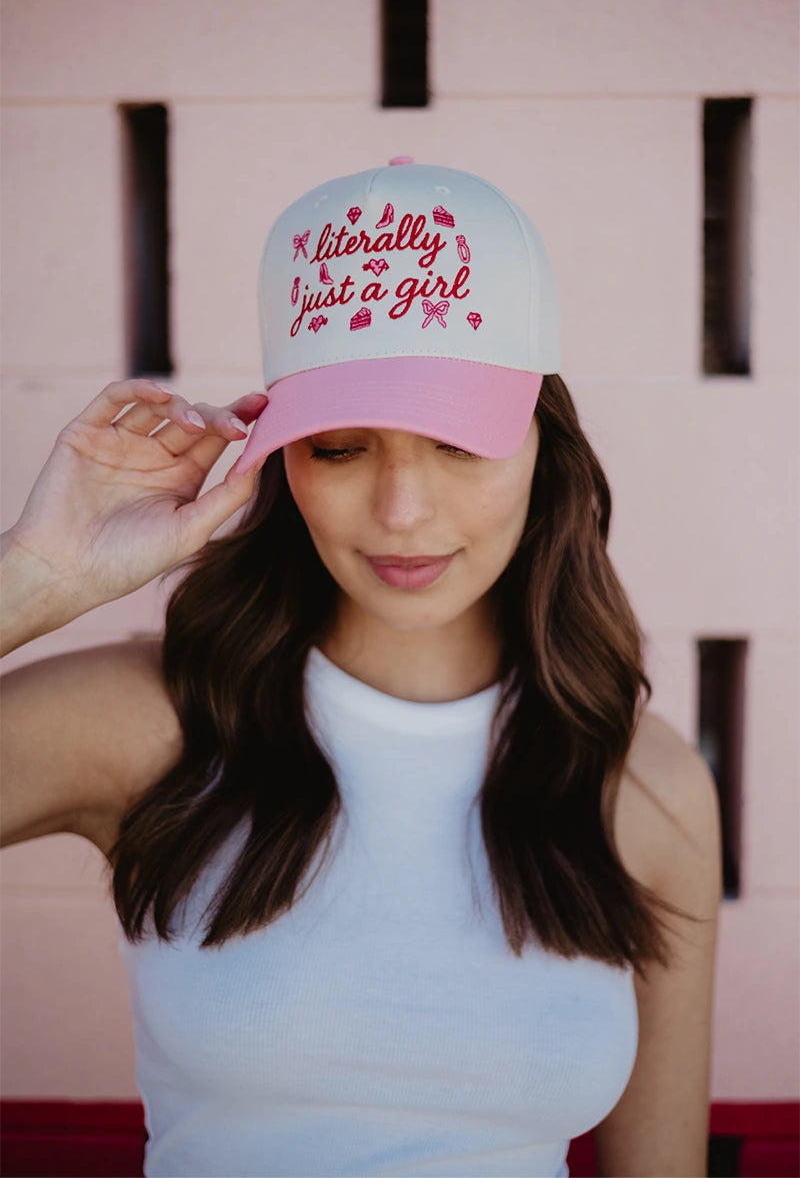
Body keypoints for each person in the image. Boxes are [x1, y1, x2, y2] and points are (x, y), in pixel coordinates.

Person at [0, 159, 722, 1178]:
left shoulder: (649, 788)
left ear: (541, 444)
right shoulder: (147, 722)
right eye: (337, 447)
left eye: (456, 444)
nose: (400, 510)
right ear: (276, 456)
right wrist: (33, 580)